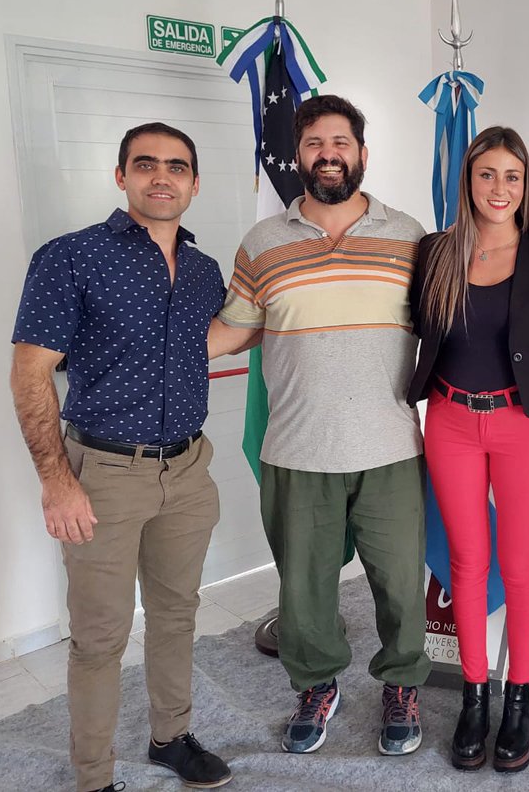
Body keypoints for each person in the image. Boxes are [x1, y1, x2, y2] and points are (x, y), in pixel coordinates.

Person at [10, 123, 233, 792]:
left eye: (176, 166)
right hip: (102, 474)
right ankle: (94, 777)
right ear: (121, 177)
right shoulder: (71, 257)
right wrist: (57, 481)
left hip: (188, 471)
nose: (161, 175)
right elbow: (30, 374)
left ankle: (170, 738)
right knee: (100, 638)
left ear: (194, 183)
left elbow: (211, 342)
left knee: (176, 614)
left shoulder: (202, 270)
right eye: (146, 164)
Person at [208, 94, 432, 757]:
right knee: (303, 592)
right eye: (314, 143)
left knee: (399, 584)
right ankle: (316, 684)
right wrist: (149, 349)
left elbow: (450, 324)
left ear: (363, 153)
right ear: (297, 155)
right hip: (297, 449)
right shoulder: (262, 242)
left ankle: (400, 684)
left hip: (390, 448)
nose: (328, 153)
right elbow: (234, 329)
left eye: (340, 142)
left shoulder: (411, 236)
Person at [407, 126, 529, 772]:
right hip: (450, 420)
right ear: (468, 182)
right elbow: (403, 325)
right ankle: (475, 696)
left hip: (521, 425)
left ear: (525, 184)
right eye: (487, 175)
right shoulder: (436, 252)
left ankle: (519, 698)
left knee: (520, 562)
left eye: (512, 176)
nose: (499, 188)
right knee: (467, 562)